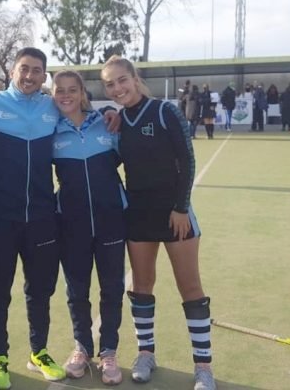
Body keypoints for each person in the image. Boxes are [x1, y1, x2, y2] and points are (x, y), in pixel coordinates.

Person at [100, 56, 216, 390]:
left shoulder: (165, 111)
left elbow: (187, 159)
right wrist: (106, 113)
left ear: (135, 78)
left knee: (190, 288)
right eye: (110, 84)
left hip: (175, 214)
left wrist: (181, 207)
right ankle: (146, 354)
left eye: (122, 80)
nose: (117, 88)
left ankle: (203, 366)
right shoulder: (118, 122)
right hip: (138, 215)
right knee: (142, 286)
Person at [0, 47, 65, 389]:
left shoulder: (52, 106)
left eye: (37, 70)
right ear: (12, 71)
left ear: (44, 76)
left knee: (39, 290)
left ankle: (38, 352)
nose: (29, 76)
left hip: (42, 217)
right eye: (24, 69)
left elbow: (81, 113)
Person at [51, 70, 127, 386]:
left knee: (112, 288)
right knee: (77, 291)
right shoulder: (51, 131)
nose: (66, 95)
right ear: (53, 95)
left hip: (111, 221)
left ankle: (108, 351)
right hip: (71, 224)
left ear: (82, 92)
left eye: (72, 89)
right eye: (60, 90)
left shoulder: (107, 124)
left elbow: (130, 158)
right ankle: (82, 347)